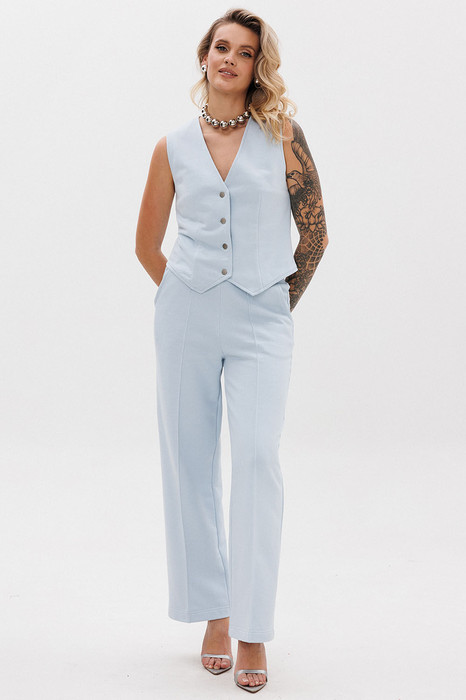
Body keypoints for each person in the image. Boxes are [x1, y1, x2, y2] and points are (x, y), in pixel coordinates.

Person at [135, 8, 328, 693]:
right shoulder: (170, 147)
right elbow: (146, 245)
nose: (229, 59)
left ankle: (252, 627)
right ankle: (214, 613)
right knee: (188, 463)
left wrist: (273, 303)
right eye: (221, 47)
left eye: (245, 53)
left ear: (256, 68)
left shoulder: (284, 138)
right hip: (186, 316)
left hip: (262, 319)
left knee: (255, 461)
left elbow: (315, 236)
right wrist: (187, 297)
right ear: (204, 56)